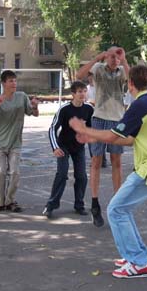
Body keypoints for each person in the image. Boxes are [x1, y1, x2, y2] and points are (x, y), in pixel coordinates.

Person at [70, 65, 147, 279]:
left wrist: (84, 129)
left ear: (130, 84)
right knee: (122, 210)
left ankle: (139, 262)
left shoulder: (141, 104)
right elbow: (130, 139)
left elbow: (112, 136)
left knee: (116, 210)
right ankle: (140, 255)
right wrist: (92, 138)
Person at [76, 46, 129, 227]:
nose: (115, 59)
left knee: (117, 162)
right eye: (112, 56)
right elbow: (79, 75)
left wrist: (125, 59)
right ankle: (95, 202)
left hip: (117, 121)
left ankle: (117, 203)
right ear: (107, 57)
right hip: (99, 119)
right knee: (96, 162)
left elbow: (132, 82)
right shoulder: (98, 69)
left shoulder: (122, 70)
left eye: (117, 57)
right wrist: (97, 58)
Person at [0, 70, 39, 212]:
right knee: (0, 173)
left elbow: (34, 114)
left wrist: (35, 106)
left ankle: (10, 201)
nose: (14, 83)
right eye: (10, 81)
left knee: (15, 172)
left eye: (15, 80)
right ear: (4, 83)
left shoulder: (21, 97)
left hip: (15, 143)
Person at [43, 81, 94, 218]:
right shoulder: (65, 109)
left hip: (79, 147)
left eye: (84, 91)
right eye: (79, 92)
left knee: (82, 176)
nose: (82, 94)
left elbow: (91, 130)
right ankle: (51, 205)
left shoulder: (89, 109)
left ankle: (79, 205)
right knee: (62, 174)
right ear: (73, 94)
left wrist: (93, 152)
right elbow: (52, 128)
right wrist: (55, 147)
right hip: (63, 146)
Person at [86, 72, 108, 168]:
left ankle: (102, 159)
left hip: (100, 115)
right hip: (89, 116)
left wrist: (94, 103)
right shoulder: (86, 89)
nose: (91, 80)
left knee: (100, 139)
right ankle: (94, 159)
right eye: (89, 78)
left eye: (93, 78)